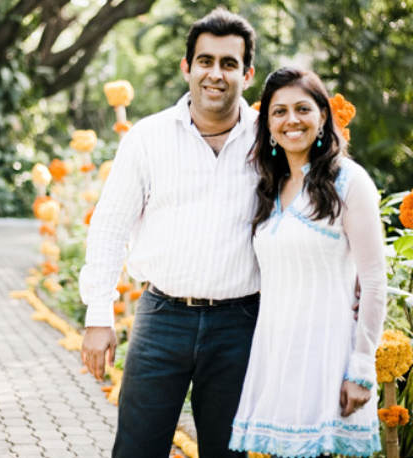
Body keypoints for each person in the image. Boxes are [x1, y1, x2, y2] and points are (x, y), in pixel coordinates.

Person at [80, 8, 260, 458]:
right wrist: (98, 316)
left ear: (248, 73)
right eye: (205, 61)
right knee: (137, 449)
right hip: (162, 319)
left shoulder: (269, 142)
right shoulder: (147, 137)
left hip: (240, 325)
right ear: (187, 67)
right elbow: (109, 225)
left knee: (229, 452)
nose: (215, 74)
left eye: (228, 63)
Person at [229, 67, 386, 458]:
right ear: (267, 125)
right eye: (278, 112)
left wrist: (362, 369)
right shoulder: (268, 187)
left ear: (322, 118)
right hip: (276, 354)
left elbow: (374, 281)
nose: (291, 120)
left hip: (328, 357)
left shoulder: (349, 182)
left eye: (302, 108)